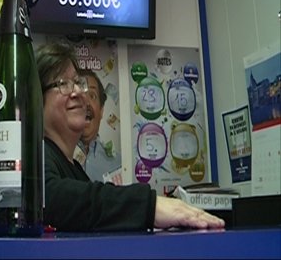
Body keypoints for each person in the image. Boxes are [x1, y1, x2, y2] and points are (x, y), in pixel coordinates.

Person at [35, 41, 225, 232]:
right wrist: (149, 206)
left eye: (77, 82)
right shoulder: (36, 156)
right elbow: (49, 198)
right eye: (63, 84)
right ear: (36, 99)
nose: (77, 91)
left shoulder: (73, 168)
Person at [74, 68, 122, 183]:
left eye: (92, 96)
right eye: (79, 95)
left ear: (101, 111)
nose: (86, 102)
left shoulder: (119, 164)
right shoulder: (55, 158)